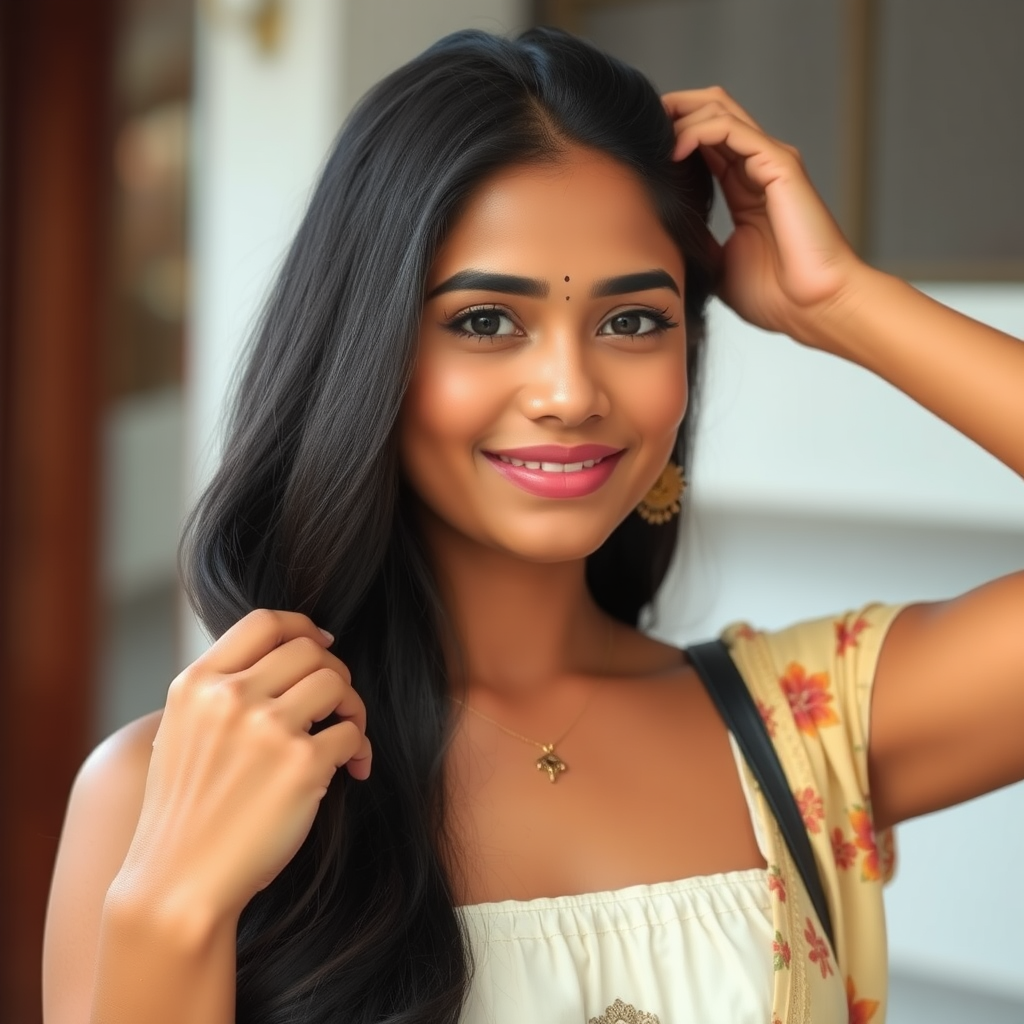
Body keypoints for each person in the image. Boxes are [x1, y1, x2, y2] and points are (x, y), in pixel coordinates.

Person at [43, 26, 1023, 1024]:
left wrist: (843, 301)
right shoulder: (160, 790)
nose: (568, 391)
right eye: (483, 321)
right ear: (365, 352)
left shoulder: (805, 731)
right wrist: (171, 909)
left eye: (633, 320)